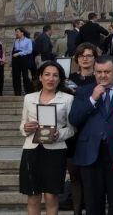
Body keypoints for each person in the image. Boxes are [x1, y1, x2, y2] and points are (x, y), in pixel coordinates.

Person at [69, 55, 113, 215]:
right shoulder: (84, 91)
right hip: (90, 152)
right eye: (99, 72)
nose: (102, 75)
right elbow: (74, 119)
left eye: (107, 71)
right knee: (93, 203)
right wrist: (93, 98)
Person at [19, 61, 74, 215]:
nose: (51, 78)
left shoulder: (68, 99)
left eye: (55, 75)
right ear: (40, 77)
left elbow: (72, 128)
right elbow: (23, 123)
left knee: (51, 196)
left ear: (60, 79)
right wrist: (25, 127)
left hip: (55, 151)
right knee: (33, 196)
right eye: (47, 74)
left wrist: (59, 134)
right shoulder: (29, 98)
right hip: (32, 150)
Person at [65, 43, 98, 214]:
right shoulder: (67, 79)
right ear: (77, 58)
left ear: (95, 58)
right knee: (75, 176)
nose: (85, 58)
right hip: (73, 132)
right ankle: (77, 211)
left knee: (92, 178)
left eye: (89, 55)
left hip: (93, 132)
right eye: (82, 55)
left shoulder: (100, 78)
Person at [12, 27, 34, 96]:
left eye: (17, 32)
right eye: (15, 32)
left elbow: (30, 50)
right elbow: (13, 51)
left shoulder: (28, 40)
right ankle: (17, 92)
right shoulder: (16, 41)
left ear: (22, 32)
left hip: (23, 59)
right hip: (15, 60)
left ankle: (27, 91)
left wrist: (19, 53)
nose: (16, 33)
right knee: (16, 76)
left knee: (25, 76)